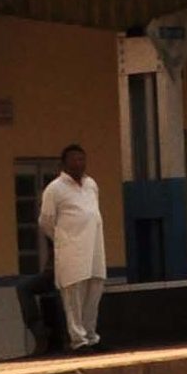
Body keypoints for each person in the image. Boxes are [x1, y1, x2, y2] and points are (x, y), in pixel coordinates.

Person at [36, 143, 106, 351]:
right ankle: (79, 340)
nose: (79, 163)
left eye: (82, 159)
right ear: (64, 163)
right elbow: (46, 220)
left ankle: (91, 336)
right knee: (73, 295)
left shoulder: (91, 184)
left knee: (94, 291)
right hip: (71, 249)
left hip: (94, 247)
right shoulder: (55, 188)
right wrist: (62, 239)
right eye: (74, 159)